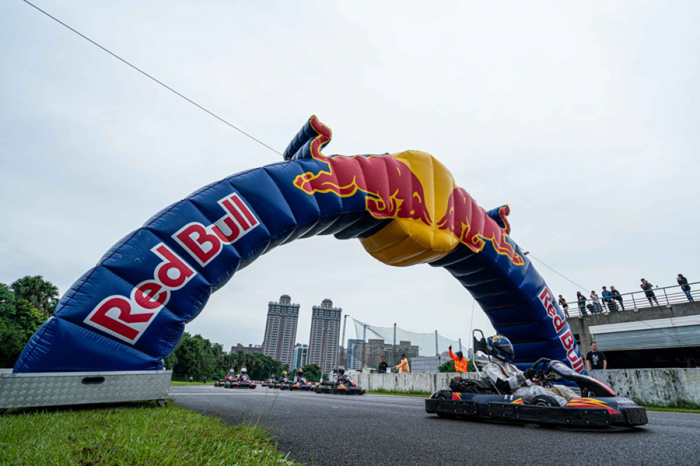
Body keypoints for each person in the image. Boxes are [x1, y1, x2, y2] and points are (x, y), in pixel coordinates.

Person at [481, 335, 574, 406]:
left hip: (521, 390)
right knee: (536, 390)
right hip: (510, 394)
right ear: (496, 350)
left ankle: (581, 402)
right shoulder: (490, 367)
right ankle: (566, 406)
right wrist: (524, 376)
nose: (508, 350)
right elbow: (505, 384)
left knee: (561, 387)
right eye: (505, 348)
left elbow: (526, 381)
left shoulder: (510, 366)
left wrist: (538, 378)